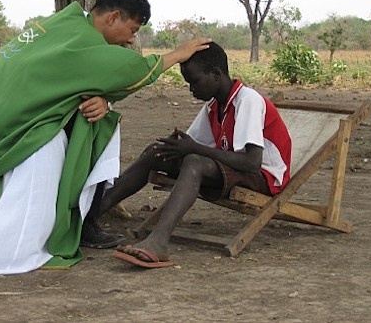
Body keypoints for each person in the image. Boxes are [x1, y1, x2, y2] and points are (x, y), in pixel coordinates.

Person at [0, 0, 211, 277]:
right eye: (132, 30)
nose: (131, 40)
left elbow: (68, 80)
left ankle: (84, 219)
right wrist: (177, 55)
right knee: (96, 129)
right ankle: (76, 222)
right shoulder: (82, 42)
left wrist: (103, 99)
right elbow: (130, 69)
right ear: (113, 17)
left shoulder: (63, 25)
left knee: (99, 116)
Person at [95, 41, 292, 268]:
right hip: (234, 169)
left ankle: (158, 242)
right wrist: (173, 147)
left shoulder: (247, 100)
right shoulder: (214, 106)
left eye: (195, 82)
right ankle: (91, 215)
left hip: (263, 177)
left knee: (194, 162)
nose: (191, 89)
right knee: (156, 153)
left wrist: (194, 149)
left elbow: (251, 162)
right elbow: (192, 142)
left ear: (216, 74)